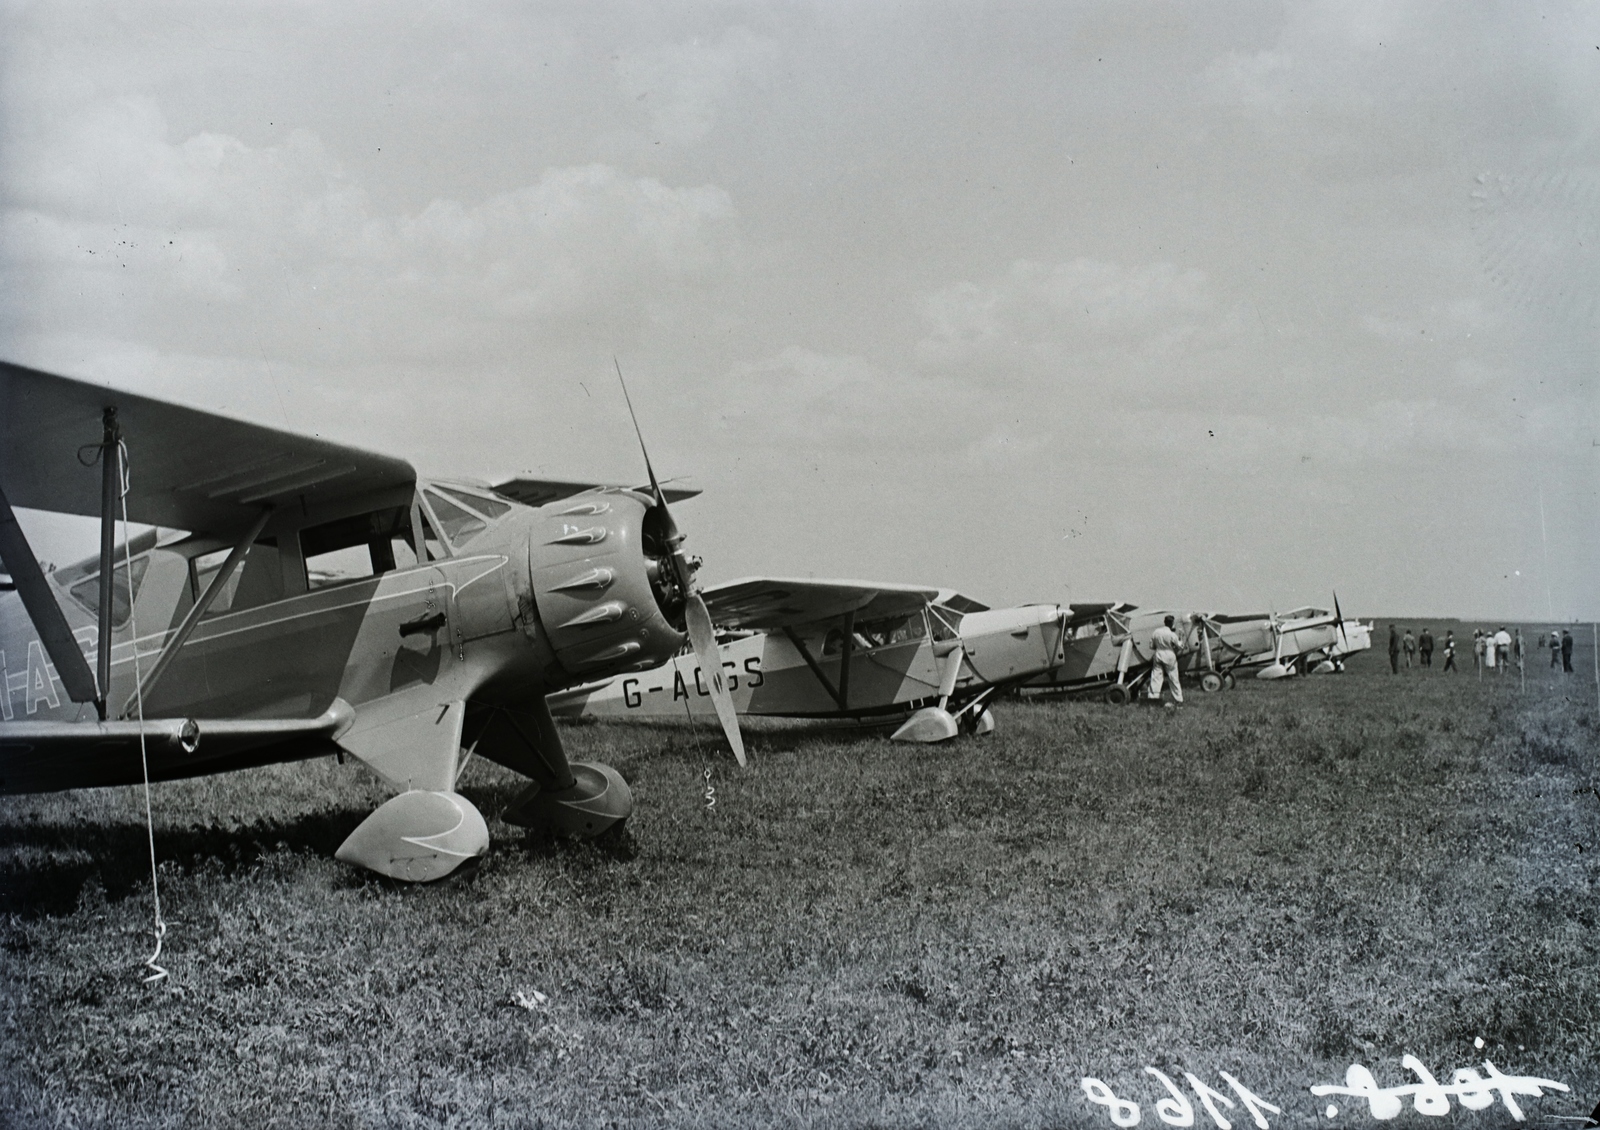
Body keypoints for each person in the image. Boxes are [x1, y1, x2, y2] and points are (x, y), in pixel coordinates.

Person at [1147, 614, 1184, 705]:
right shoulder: (1172, 634)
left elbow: (1151, 646)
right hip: (1169, 654)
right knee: (1173, 678)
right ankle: (1178, 699)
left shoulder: (1156, 632)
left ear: (1164, 622)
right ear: (1172, 623)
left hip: (1158, 654)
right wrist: (1181, 637)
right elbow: (1180, 646)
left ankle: (1153, 698)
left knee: (1156, 677)